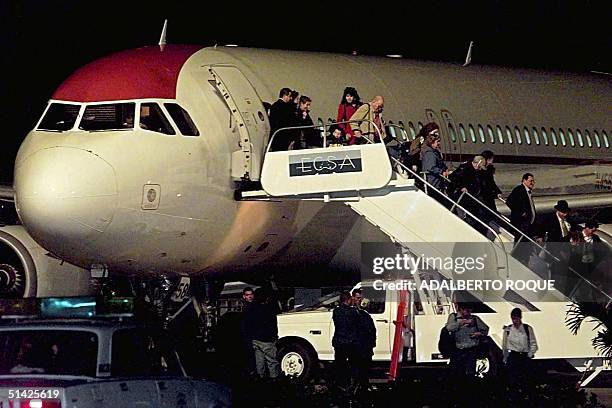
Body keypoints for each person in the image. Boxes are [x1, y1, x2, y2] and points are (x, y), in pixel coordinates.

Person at [535, 200, 574, 293]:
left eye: (566, 212)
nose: (564, 214)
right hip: (553, 247)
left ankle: (559, 286)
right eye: (563, 212)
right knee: (553, 267)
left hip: (564, 247)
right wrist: (540, 236)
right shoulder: (550, 219)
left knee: (561, 269)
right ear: (558, 211)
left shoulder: (568, 220)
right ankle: (552, 286)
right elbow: (541, 227)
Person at [446, 302, 489, 377]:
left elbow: (485, 329)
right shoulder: (454, 317)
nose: (469, 313)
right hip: (458, 350)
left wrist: (478, 334)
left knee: (470, 372)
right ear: (461, 309)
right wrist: (462, 323)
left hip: (471, 350)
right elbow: (449, 328)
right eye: (467, 311)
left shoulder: (475, 319)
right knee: (458, 373)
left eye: (470, 311)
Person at [502, 308, 538, 398]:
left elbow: (533, 343)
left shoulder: (527, 328)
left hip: (524, 357)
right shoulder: (508, 329)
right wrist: (505, 358)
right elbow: (504, 345)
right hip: (513, 356)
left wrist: (529, 355)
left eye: (516, 319)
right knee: (512, 380)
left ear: (520, 318)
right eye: (513, 318)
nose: (514, 321)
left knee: (525, 380)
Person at [247, 288, 281, 380]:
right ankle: (274, 378)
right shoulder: (269, 308)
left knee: (259, 360)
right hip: (267, 339)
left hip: (255, 339)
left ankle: (260, 377)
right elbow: (273, 323)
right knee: (272, 361)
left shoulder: (251, 308)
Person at [506, 173, 537, 264]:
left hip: (527, 225)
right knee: (520, 245)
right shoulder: (519, 190)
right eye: (530, 181)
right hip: (520, 224)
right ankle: (517, 262)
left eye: (533, 181)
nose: (532, 183)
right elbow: (509, 202)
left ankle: (523, 261)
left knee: (525, 247)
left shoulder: (528, 192)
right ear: (524, 180)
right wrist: (520, 212)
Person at [332, 292, 358, 392]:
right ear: (348, 300)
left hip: (339, 341)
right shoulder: (353, 312)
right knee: (352, 364)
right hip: (350, 342)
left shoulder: (336, 311)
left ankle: (340, 384)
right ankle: (350, 384)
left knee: (340, 364)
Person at [352, 289, 376, 394]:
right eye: (358, 298)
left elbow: (371, 329)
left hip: (365, 345)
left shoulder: (364, 313)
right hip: (357, 345)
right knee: (357, 368)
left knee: (365, 368)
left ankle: (363, 386)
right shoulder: (351, 312)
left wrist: (372, 343)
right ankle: (358, 387)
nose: (360, 300)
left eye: (360, 298)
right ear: (353, 298)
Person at [420, 133, 449, 205]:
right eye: (437, 141)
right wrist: (441, 171)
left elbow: (441, 163)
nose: (439, 143)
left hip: (437, 182)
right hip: (432, 182)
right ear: (432, 143)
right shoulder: (429, 154)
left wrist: (445, 169)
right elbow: (430, 167)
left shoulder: (435, 152)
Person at [240, 287, 256, 376]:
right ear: (244, 296)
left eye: (251, 294)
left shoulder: (251, 306)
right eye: (247, 295)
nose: (250, 296)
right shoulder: (246, 307)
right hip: (248, 335)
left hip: (252, 334)